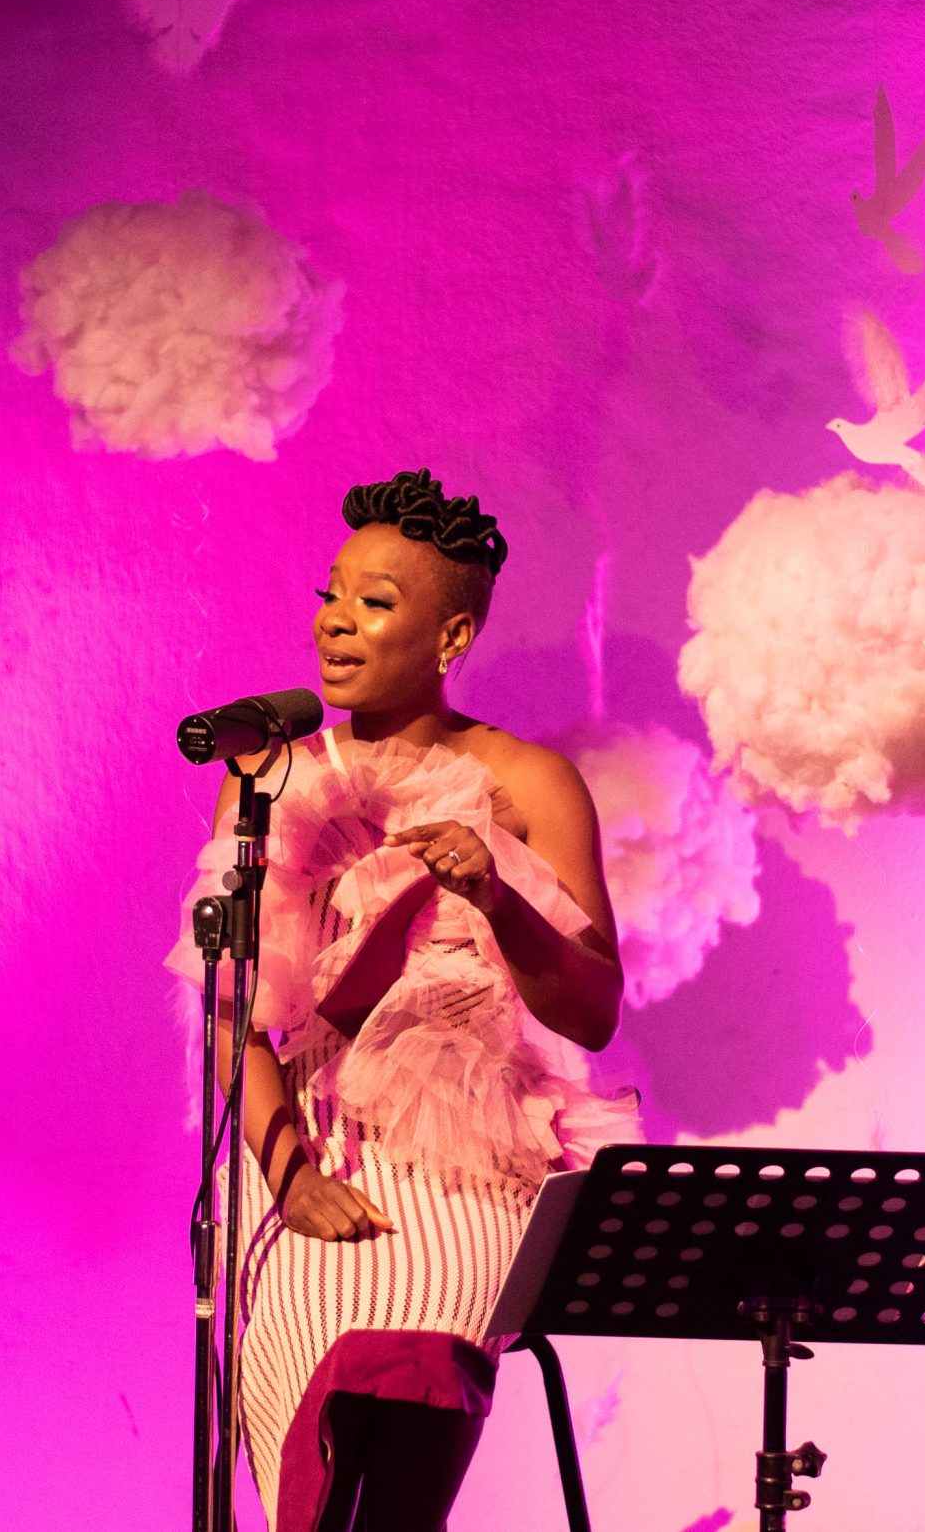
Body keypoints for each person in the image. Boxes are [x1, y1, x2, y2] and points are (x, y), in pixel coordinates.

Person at [165, 468, 637, 1530]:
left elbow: (593, 1010)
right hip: (310, 1146)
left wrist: (500, 897)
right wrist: (288, 1174)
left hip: (468, 1160)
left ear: (452, 633)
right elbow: (235, 1011)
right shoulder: (266, 780)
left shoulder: (530, 781)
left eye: (375, 603)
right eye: (333, 593)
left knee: (409, 1403)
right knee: (307, 1441)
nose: (336, 621)